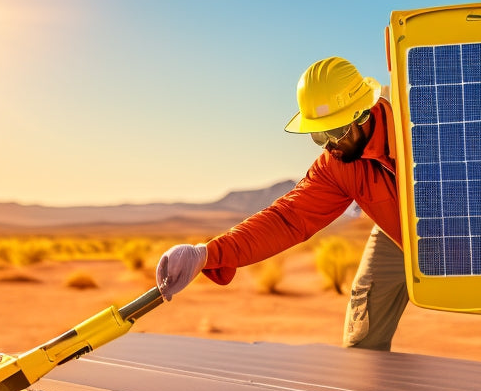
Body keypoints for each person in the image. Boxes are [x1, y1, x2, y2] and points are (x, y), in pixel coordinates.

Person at [155, 56, 408, 351]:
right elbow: (287, 218)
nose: (329, 144)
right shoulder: (337, 164)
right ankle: (368, 388)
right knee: (365, 316)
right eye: (318, 134)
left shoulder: (423, 131)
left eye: (336, 131)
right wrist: (207, 254)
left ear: (363, 114)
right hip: (394, 229)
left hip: (459, 222)